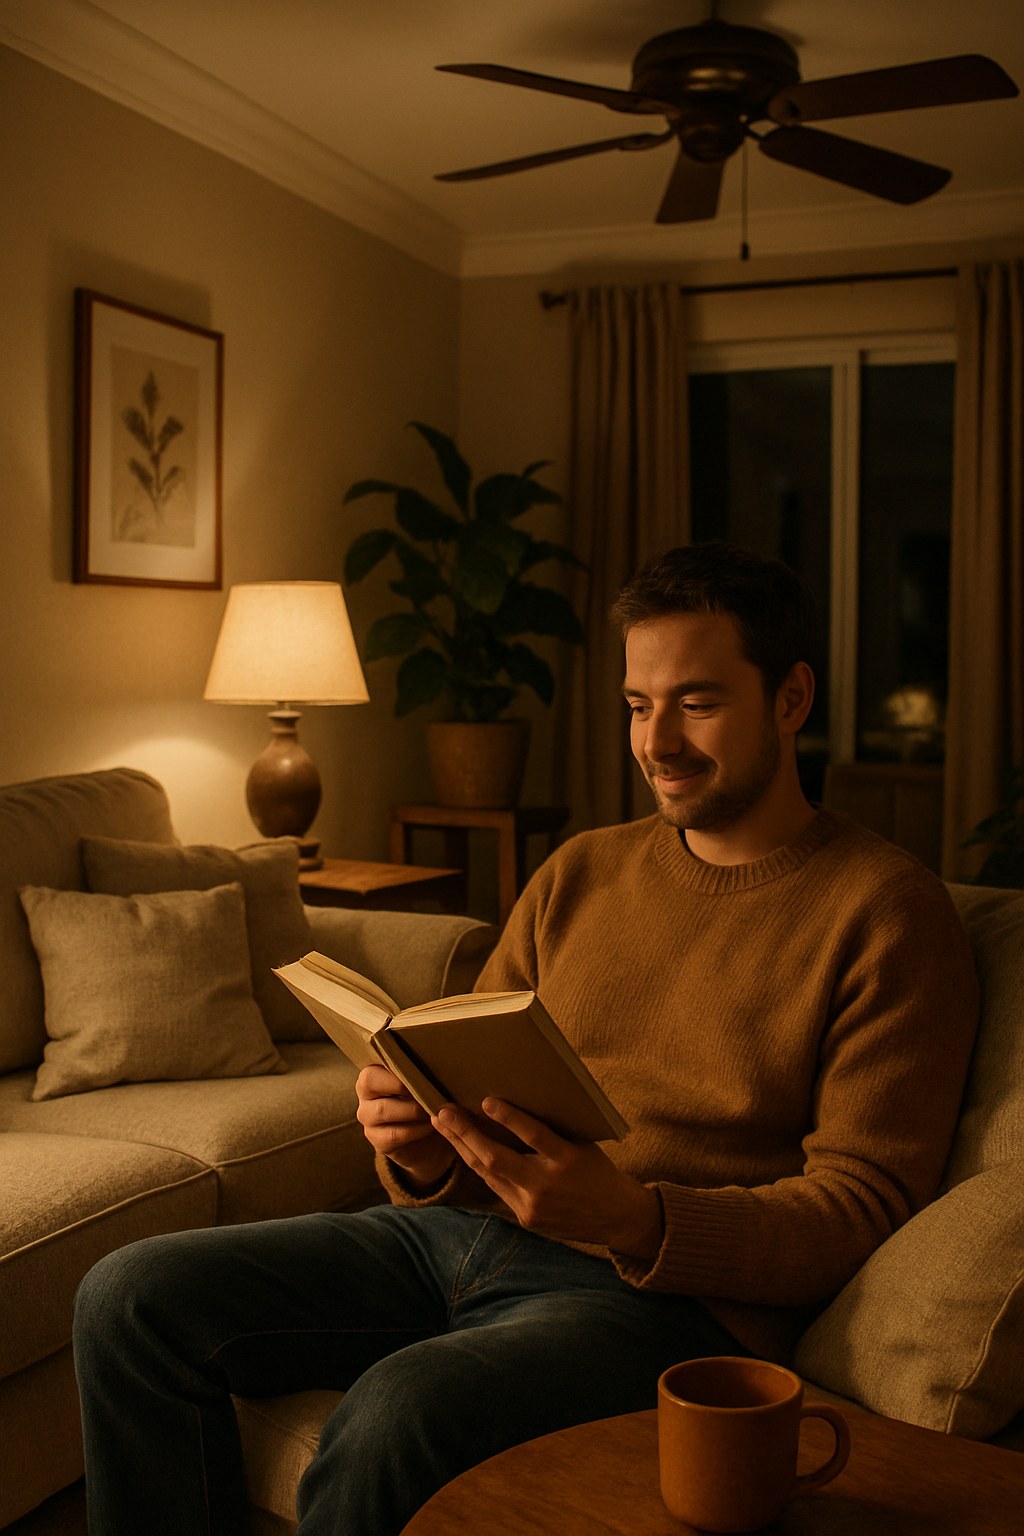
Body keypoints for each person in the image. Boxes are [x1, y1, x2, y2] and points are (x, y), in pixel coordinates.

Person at [73, 542, 979, 1536]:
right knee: (129, 1296)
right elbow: (471, 1078)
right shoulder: (580, 872)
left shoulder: (887, 913)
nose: (657, 741)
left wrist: (637, 1219)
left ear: (791, 699)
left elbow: (860, 1209)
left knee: (395, 1414)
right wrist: (417, 1144)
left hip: (660, 1307)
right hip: (462, 1237)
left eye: (698, 701)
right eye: (637, 705)